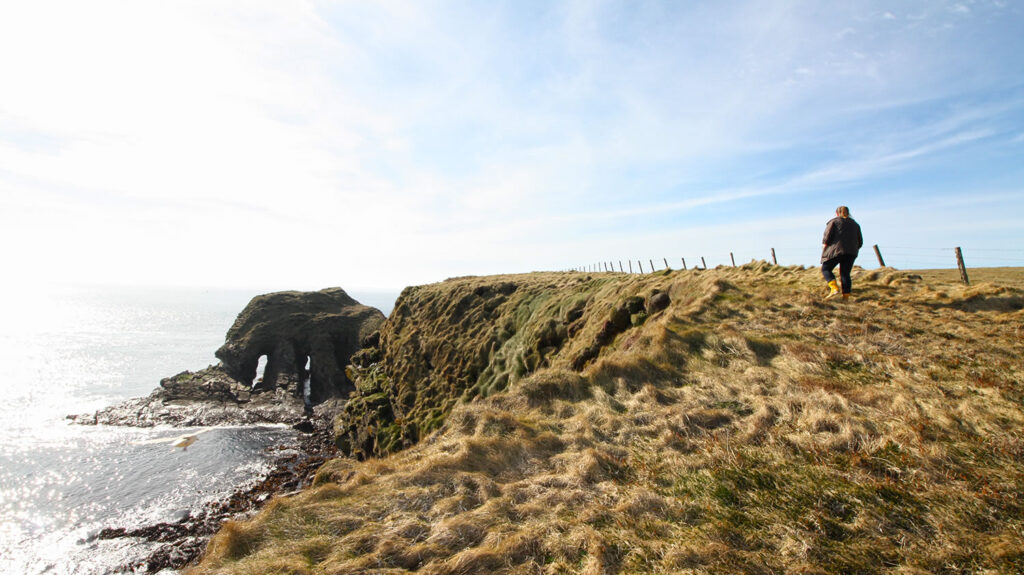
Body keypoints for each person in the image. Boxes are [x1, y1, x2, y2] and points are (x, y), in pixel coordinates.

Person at [820, 205, 863, 299]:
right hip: (851, 252)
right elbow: (860, 241)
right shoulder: (855, 224)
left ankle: (834, 288)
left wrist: (824, 244)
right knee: (845, 273)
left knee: (826, 269)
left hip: (836, 250)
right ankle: (846, 297)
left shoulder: (834, 222)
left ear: (837, 213)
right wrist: (853, 248)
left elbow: (827, 236)